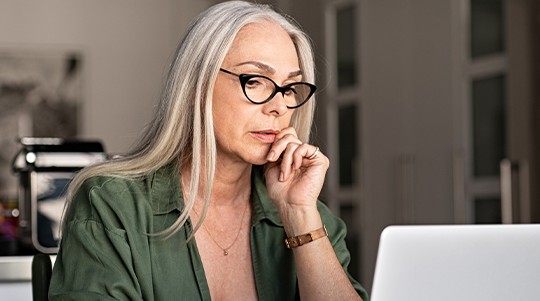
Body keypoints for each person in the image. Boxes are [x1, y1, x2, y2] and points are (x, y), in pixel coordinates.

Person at [49, 1, 369, 300]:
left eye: (289, 87)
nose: (279, 106)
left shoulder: (307, 213)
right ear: (195, 84)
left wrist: (299, 215)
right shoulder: (110, 205)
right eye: (255, 80)